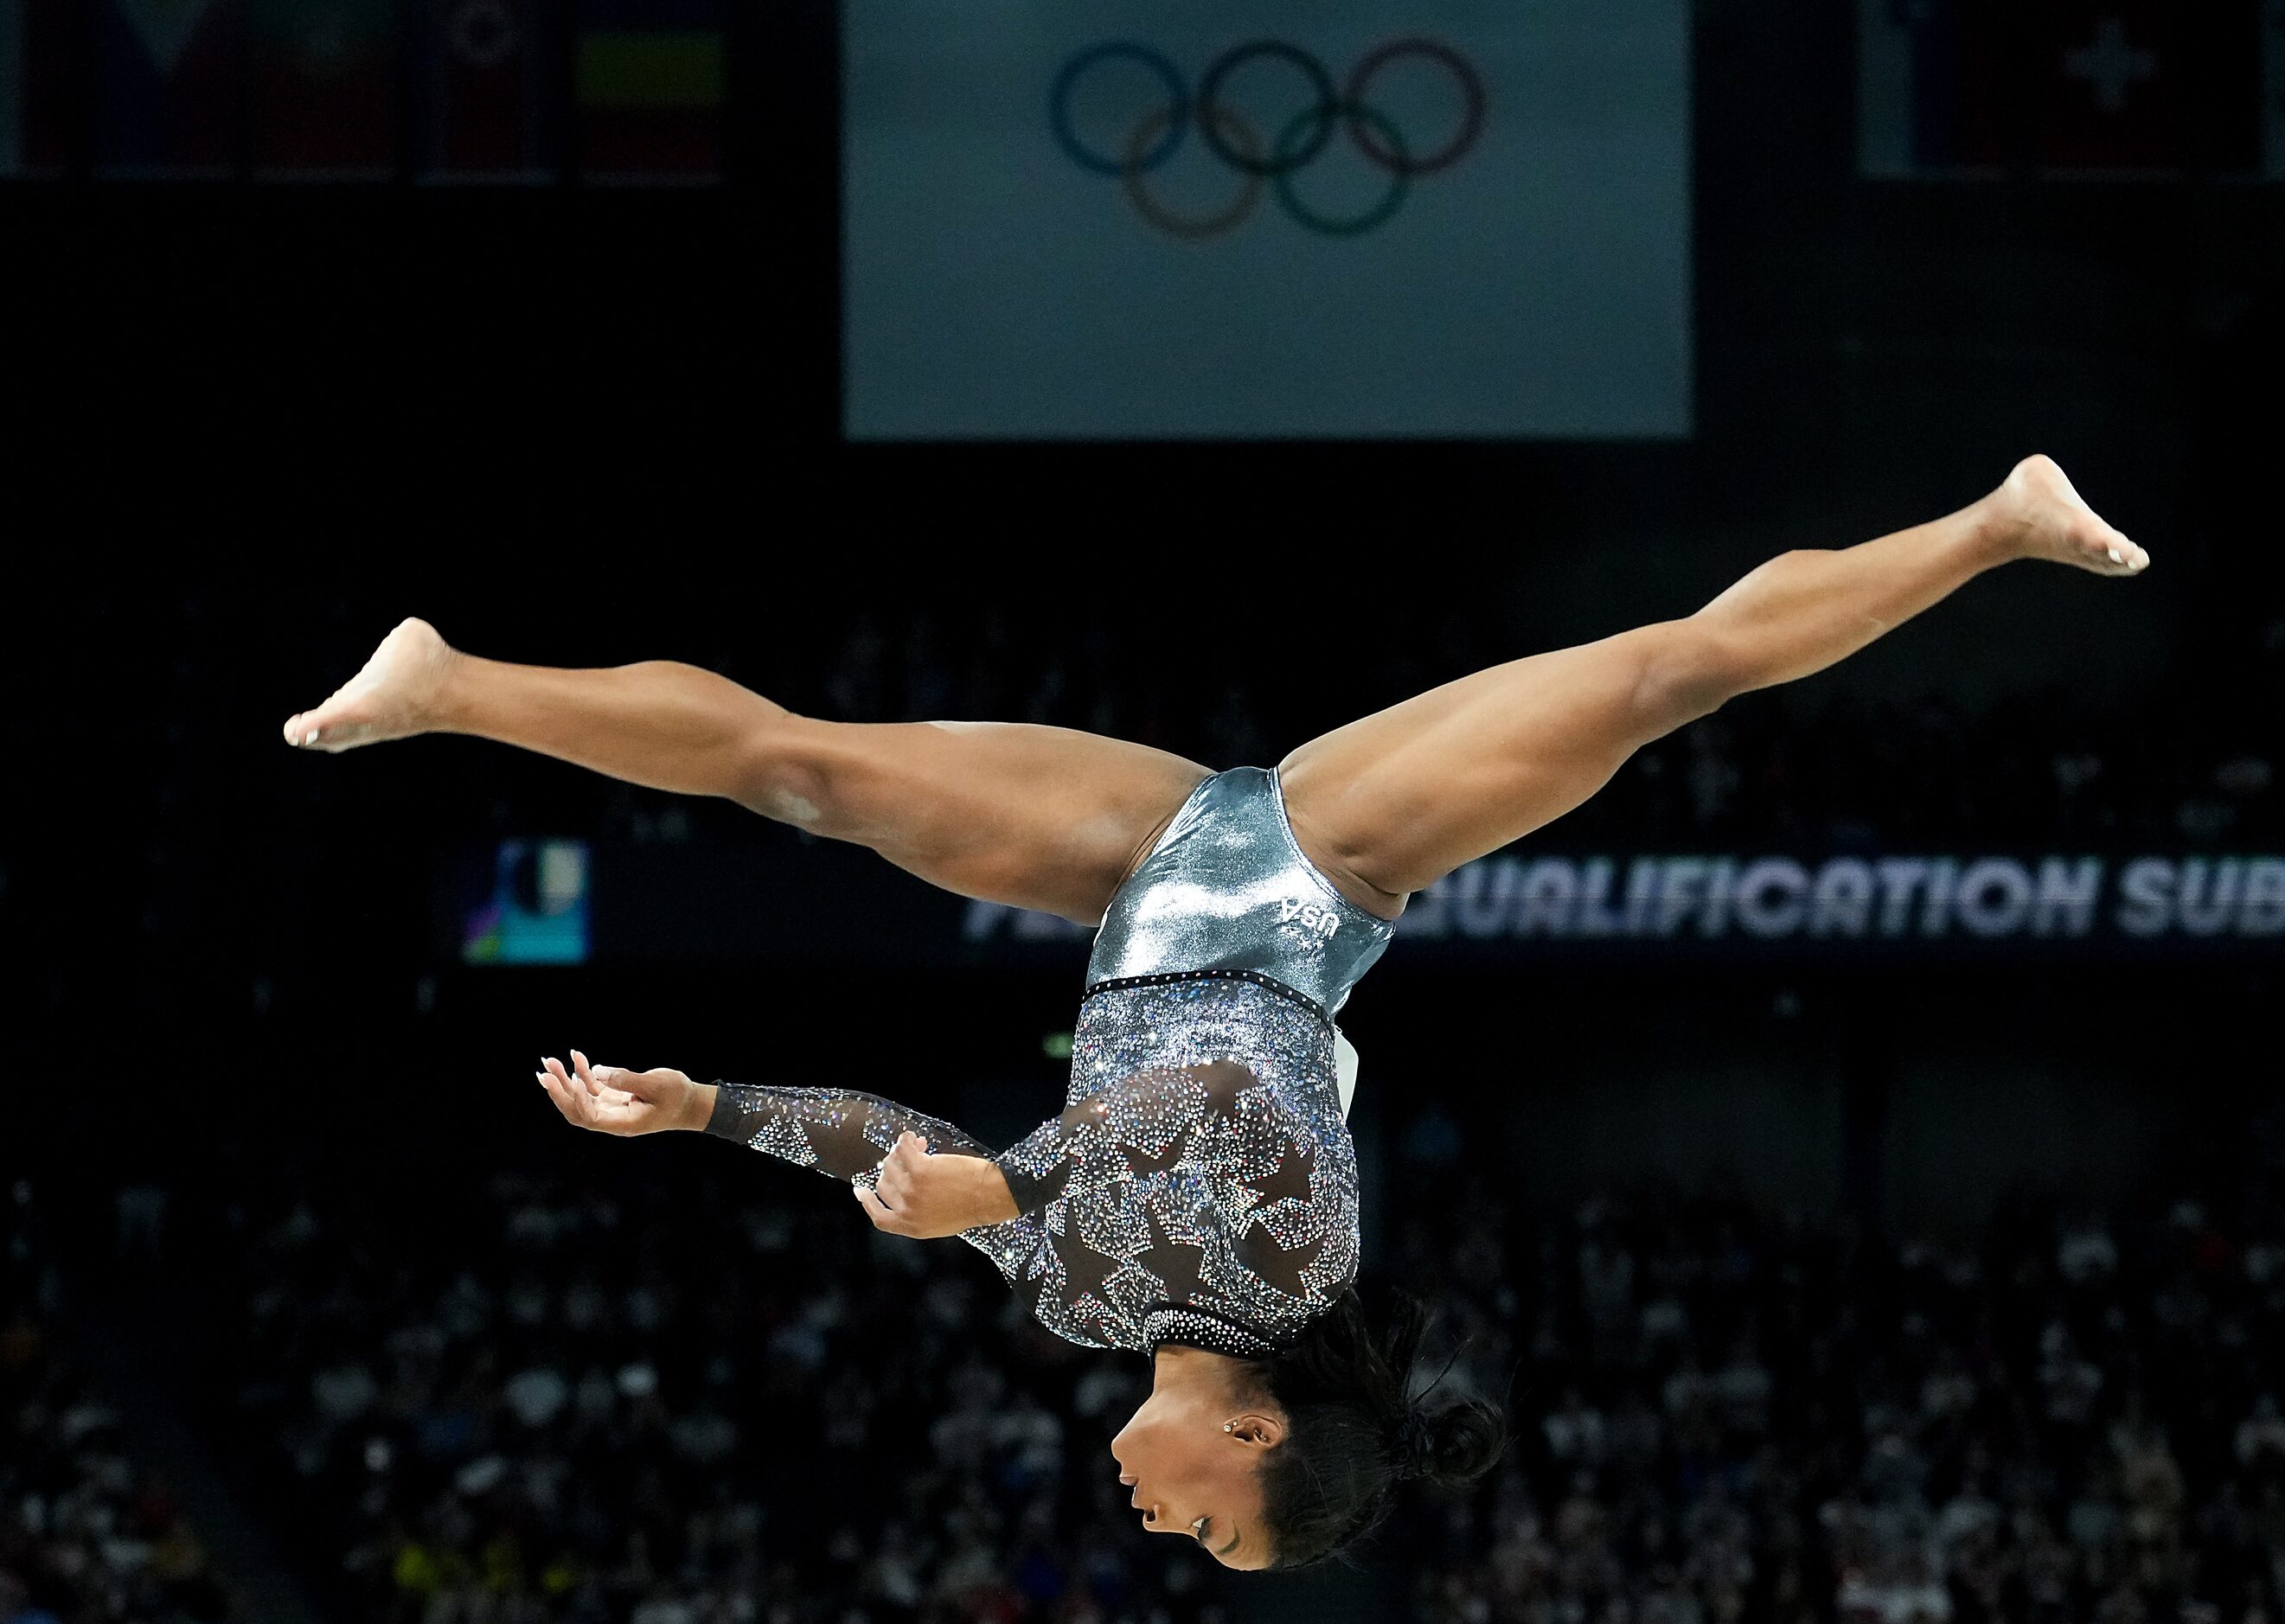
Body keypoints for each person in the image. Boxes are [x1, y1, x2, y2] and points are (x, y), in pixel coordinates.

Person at [281, 456, 2147, 1569]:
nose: (1149, 1522)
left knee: (807, 771)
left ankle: (452, 684)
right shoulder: (1295, 1277)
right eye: (1201, 1526)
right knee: (1664, 675)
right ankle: (1993, 522)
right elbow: (1196, 1134)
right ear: (1259, 1441)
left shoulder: (1084, 1308)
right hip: (1319, 874)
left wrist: (696, 1111)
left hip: (1135, 878)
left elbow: (900, 1153)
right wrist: (997, 1201)